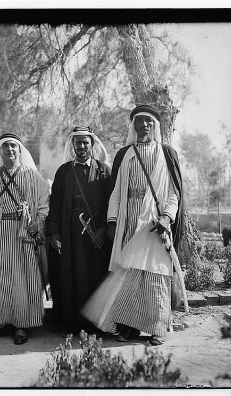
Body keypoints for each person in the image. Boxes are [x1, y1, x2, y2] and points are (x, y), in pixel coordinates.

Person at [80, 104, 183, 346]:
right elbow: (115, 192)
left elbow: (172, 194)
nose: (144, 125)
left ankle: (158, 328)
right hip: (128, 223)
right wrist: (113, 221)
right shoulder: (124, 154)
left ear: (155, 126)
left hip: (153, 224)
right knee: (129, 277)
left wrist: (167, 217)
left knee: (154, 275)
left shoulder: (166, 153)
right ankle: (130, 327)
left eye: (149, 121)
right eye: (140, 121)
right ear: (133, 125)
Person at [46, 126, 112, 337]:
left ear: (92, 145)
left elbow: (110, 203)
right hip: (70, 231)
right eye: (78, 143)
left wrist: (103, 229)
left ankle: (94, 323)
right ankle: (71, 323)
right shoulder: (64, 171)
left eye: (86, 142)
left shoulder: (104, 170)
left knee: (94, 275)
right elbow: (55, 204)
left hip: (95, 235)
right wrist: (54, 233)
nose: (82, 147)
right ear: (72, 145)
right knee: (70, 275)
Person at [0, 133, 50, 345]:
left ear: (19, 150)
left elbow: (44, 205)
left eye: (13, 146)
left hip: (23, 233)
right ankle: (4, 320)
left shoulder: (33, 176)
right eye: (5, 147)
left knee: (23, 278)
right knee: (1, 277)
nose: (10, 150)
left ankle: (22, 324)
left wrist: (37, 223)